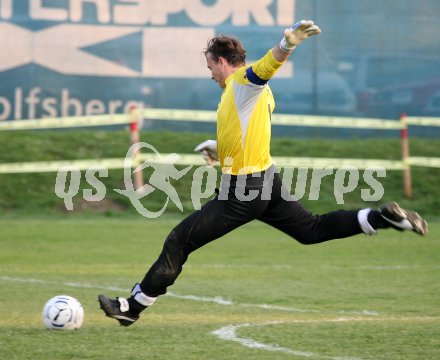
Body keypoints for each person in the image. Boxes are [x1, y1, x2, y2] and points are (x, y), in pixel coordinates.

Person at [98, 20, 428, 326]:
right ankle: (384, 218)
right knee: (310, 229)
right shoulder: (241, 92)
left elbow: (266, 68)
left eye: (210, 66)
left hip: (244, 190)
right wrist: (219, 148)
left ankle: (133, 308)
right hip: (264, 180)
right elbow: (248, 130)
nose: (210, 74)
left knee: (178, 240)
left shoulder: (244, 82)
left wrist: (288, 44)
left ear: (223, 61)